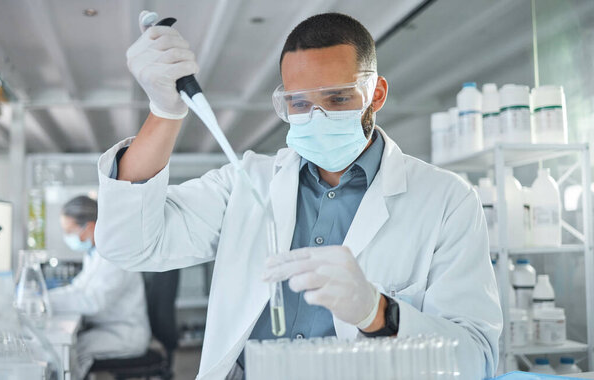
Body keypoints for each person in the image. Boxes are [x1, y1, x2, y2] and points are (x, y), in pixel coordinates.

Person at [95, 11, 502, 379]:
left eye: (338, 98)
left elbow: (477, 358)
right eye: (299, 102)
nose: (316, 116)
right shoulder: (247, 182)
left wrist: (379, 313)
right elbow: (129, 243)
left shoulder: (446, 201)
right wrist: (166, 110)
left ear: (375, 94)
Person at [48, 195, 151, 379]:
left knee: (75, 351)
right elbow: (77, 288)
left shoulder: (116, 255)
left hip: (125, 333)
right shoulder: (95, 253)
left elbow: (94, 302)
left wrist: (46, 302)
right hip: (109, 328)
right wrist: (44, 297)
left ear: (90, 226)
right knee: (72, 347)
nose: (68, 237)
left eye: (69, 231)